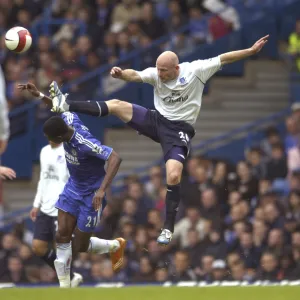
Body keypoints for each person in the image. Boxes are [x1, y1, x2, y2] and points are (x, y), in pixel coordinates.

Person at [48, 35, 268, 245]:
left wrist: (250, 51)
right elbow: (136, 75)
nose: (159, 74)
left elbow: (224, 57)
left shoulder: (196, 70)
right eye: (158, 69)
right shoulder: (155, 73)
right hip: (156, 120)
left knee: (173, 174)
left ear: (177, 68)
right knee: (116, 104)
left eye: (164, 71)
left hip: (178, 130)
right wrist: (121, 74)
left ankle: (168, 227)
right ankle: (66, 104)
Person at [18, 82, 126, 288]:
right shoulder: (67, 119)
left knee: (81, 245)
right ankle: (65, 286)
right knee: (61, 235)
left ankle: (114, 245)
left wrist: (102, 190)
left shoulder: (84, 143)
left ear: (59, 138)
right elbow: (57, 105)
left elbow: (115, 158)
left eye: (50, 138)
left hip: (91, 194)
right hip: (73, 187)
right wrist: (39, 95)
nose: (48, 140)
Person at [30, 141, 83, 287]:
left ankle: (67, 282)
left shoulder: (69, 152)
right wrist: (36, 204)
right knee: (37, 246)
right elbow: (43, 178)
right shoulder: (44, 151)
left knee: (61, 248)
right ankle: (71, 276)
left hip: (62, 207)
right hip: (45, 207)